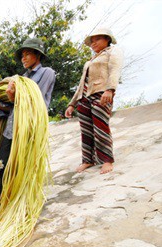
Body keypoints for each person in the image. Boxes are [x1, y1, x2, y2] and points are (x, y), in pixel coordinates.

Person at [0, 37, 56, 209]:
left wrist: (14, 96)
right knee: (4, 163)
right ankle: (3, 198)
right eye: (22, 56)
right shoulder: (19, 78)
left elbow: (35, 99)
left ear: (37, 55)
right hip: (12, 127)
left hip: (31, 127)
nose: (23, 58)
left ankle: (27, 200)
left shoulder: (47, 73)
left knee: (27, 164)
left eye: (27, 54)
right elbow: (12, 107)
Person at [65, 27, 123, 174]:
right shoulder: (90, 60)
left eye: (97, 39)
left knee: (101, 127)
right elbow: (81, 84)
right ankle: (88, 160)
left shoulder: (112, 52)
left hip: (101, 94)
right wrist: (72, 104)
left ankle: (107, 160)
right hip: (84, 97)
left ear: (107, 39)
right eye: (92, 41)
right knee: (86, 130)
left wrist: (110, 89)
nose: (93, 43)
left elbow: (115, 70)